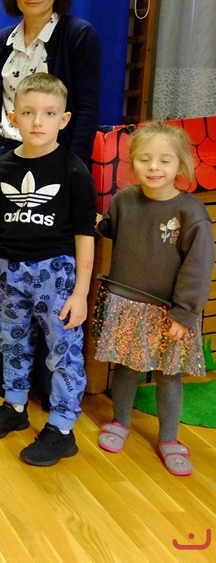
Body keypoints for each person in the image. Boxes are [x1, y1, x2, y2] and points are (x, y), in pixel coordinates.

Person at [0, 73, 96, 467]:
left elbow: (85, 234)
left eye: (48, 113)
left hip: (57, 275)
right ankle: (14, 406)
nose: (38, 121)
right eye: (28, 113)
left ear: (64, 119)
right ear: (14, 118)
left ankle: (61, 428)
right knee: (12, 343)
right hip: (7, 272)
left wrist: (80, 292)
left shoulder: (74, 169)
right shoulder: (3, 167)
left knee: (63, 352)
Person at [94, 124, 213, 476]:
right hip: (127, 303)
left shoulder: (191, 213)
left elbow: (198, 267)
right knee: (126, 368)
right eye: (144, 159)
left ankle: (169, 438)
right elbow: (109, 228)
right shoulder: (124, 200)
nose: (154, 167)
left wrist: (184, 313)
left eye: (164, 160)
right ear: (132, 162)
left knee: (168, 375)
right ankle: (120, 421)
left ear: (181, 164)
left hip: (169, 313)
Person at [0, 0, 101, 166]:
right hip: (5, 152)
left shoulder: (78, 35)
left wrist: (74, 166)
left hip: (55, 153)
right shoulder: (2, 41)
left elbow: (87, 109)